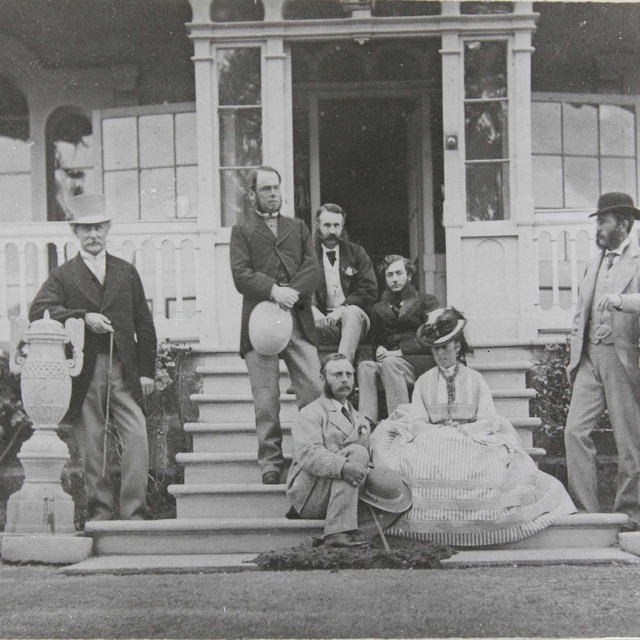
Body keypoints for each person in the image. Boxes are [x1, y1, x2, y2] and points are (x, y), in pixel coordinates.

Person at [370, 307, 575, 546]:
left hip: (471, 436)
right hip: (433, 437)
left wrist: (466, 431)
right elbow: (416, 419)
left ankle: (482, 522)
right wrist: (435, 432)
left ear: (457, 347)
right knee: (411, 460)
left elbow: (488, 417)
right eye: (435, 349)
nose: (440, 354)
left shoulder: (475, 379)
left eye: (445, 348)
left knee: (495, 464)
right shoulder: (425, 381)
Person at [29, 193, 157, 521]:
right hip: (86, 371)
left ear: (108, 228)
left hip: (125, 369)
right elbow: (39, 310)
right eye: (86, 229)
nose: (93, 235)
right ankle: (100, 513)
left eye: (99, 227)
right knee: (93, 442)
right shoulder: (64, 275)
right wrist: (82, 316)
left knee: (137, 436)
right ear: (75, 232)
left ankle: (134, 513)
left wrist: (146, 372)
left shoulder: (126, 271)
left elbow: (144, 322)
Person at [230, 166, 322, 485]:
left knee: (313, 387)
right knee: (266, 399)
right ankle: (270, 460)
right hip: (259, 323)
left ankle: (312, 452)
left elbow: (313, 267)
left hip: (296, 319)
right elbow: (240, 274)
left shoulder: (297, 228)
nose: (273, 194)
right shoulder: (242, 230)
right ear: (253, 193)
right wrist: (272, 290)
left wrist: (291, 292)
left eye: (276, 188)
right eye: (266, 189)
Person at [565, 192, 640, 530]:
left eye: (604, 220)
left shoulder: (638, 258)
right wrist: (574, 349)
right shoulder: (595, 260)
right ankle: (586, 513)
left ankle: (630, 514)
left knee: (629, 440)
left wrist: (623, 300)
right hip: (589, 356)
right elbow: (582, 309)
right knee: (574, 431)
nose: (598, 227)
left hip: (623, 356)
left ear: (623, 223)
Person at [286, 353, 410, 547]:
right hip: (311, 492)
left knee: (394, 488)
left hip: (346, 492)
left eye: (349, 374)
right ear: (322, 379)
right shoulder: (311, 413)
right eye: (336, 375)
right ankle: (337, 533)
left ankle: (346, 537)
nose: (344, 379)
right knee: (357, 453)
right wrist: (344, 467)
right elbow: (309, 455)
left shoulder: (360, 420)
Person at [356, 254, 439, 423]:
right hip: (391, 362)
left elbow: (432, 338)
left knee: (390, 363)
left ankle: (401, 423)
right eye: (390, 275)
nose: (395, 279)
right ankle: (367, 424)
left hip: (420, 360)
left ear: (409, 276)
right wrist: (378, 348)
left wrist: (399, 352)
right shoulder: (379, 308)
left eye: (399, 273)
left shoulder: (427, 301)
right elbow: (375, 341)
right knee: (366, 367)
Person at [312, 203, 377, 363]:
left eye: (336, 225)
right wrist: (312, 310)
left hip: (354, 321)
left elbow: (369, 290)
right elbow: (298, 290)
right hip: (321, 321)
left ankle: (342, 368)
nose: (332, 231)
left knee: (352, 312)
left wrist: (341, 311)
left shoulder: (357, 253)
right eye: (327, 225)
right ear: (317, 225)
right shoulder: (308, 256)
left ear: (342, 226)